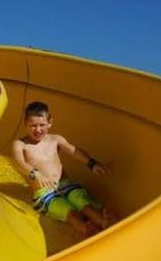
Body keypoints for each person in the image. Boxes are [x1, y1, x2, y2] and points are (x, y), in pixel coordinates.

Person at [10, 101, 115, 237]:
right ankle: (86, 229)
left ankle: (103, 221)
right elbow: (18, 161)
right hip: (44, 193)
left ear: (50, 122)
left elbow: (74, 151)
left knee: (81, 202)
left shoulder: (55, 139)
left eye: (42, 125)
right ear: (25, 124)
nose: (38, 130)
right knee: (69, 212)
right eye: (33, 126)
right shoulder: (20, 144)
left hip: (66, 185)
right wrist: (35, 173)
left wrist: (92, 164)